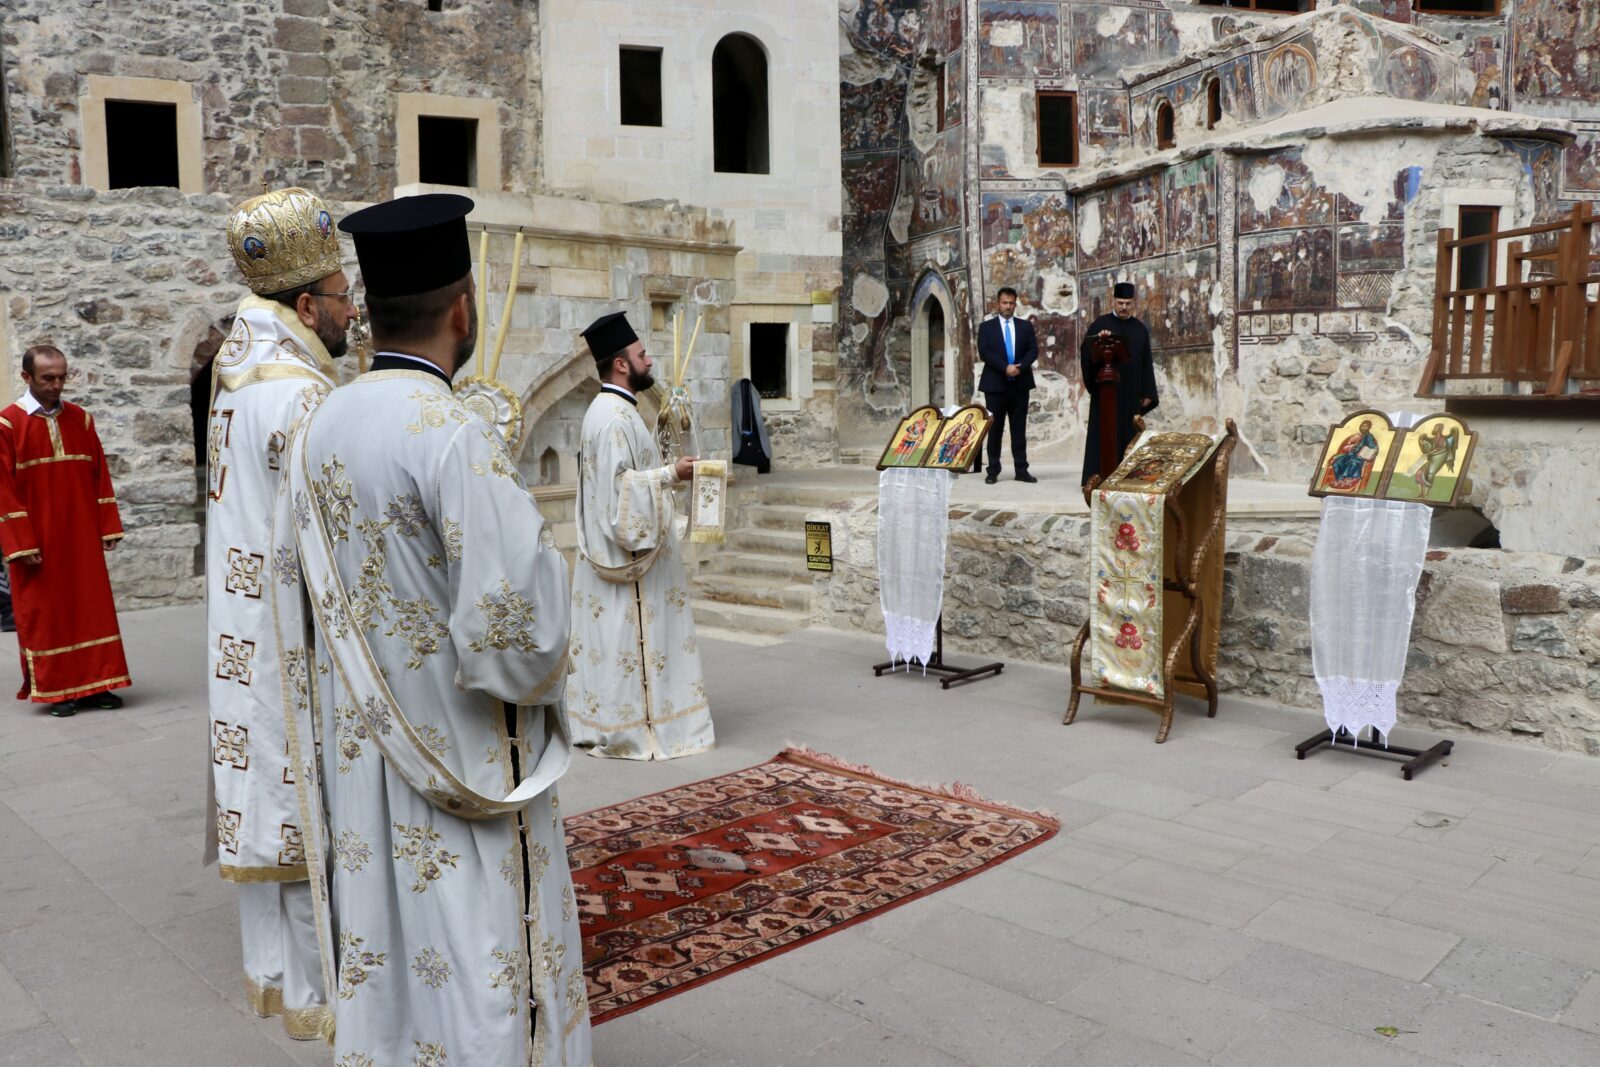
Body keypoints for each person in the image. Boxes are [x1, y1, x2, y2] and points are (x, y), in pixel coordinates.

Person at [283, 192, 590, 1065]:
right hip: (463, 756)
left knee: (391, 938)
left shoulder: (318, 425)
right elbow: (516, 635)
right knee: (477, 939)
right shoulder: (453, 433)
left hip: (363, 744)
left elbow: (293, 598)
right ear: (465, 307)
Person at [204, 186, 351, 1039]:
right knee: (300, 796)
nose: (349, 312)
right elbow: (330, 532)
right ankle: (319, 988)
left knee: (262, 788)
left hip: (239, 625)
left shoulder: (236, 375)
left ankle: (272, 974)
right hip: (285, 631)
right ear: (305, 304)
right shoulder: (299, 394)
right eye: (340, 298)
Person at [568, 310, 715, 760]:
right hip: (629, 570)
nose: (649, 361)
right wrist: (673, 473)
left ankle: (614, 722)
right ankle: (637, 729)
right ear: (620, 364)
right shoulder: (614, 419)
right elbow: (620, 497)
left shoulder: (611, 410)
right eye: (641, 354)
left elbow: (629, 473)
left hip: (606, 565)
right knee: (625, 640)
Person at [0, 345, 129, 717]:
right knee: (46, 613)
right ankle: (58, 689)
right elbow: (3, 490)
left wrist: (107, 525)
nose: (56, 386)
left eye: (61, 377)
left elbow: (99, 474)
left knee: (90, 609)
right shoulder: (7, 425)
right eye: (47, 379)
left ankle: (98, 683)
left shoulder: (81, 420)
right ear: (27, 378)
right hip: (38, 540)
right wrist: (21, 543)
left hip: (82, 535)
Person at [1080, 281, 1160, 487]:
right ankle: (1097, 476)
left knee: (1128, 433)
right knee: (1103, 433)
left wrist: (1148, 391)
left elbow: (1145, 362)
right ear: (1112, 301)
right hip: (1107, 393)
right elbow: (1087, 353)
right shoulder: (1100, 325)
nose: (1123, 307)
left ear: (1134, 303)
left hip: (1131, 393)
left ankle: (1126, 476)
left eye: (1128, 303)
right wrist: (1099, 341)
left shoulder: (1140, 329)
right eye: (1119, 302)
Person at [977, 286, 1038, 484]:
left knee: (1018, 430)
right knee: (994, 430)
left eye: (1011, 303)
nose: (1008, 307)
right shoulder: (986, 328)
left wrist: (1021, 366)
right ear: (998, 303)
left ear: (1015, 304)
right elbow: (985, 352)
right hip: (995, 386)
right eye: (1004, 303)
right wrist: (1005, 367)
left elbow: (1033, 350)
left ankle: (1021, 469)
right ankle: (993, 470)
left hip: (1020, 385)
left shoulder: (1025, 326)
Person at [1325, 419, 1380, 492]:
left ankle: (1349, 480)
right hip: (1349, 455)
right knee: (1337, 462)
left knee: (1353, 462)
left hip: (1359, 457)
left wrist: (1372, 452)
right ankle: (1340, 480)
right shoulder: (1356, 436)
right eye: (1362, 426)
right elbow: (1345, 447)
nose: (1364, 427)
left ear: (1369, 428)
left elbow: (1373, 447)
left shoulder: (1369, 437)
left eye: (1366, 426)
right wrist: (1351, 446)